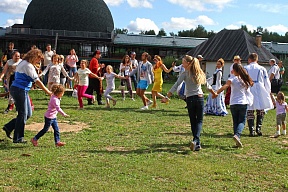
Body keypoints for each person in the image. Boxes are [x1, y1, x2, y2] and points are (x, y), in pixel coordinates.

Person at [162, 55, 216, 151]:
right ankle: (196, 142)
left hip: (190, 99)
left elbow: (176, 85)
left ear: (188, 63)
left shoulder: (185, 73)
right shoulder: (200, 73)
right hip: (199, 98)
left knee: (193, 121)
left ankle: (195, 141)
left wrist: (167, 97)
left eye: (183, 62)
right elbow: (207, 85)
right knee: (199, 121)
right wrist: (214, 93)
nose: (182, 64)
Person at [2, 49, 52, 143]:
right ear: (33, 57)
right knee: (23, 114)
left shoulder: (23, 63)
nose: (38, 61)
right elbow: (37, 81)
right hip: (19, 90)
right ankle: (18, 138)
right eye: (38, 59)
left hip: (21, 90)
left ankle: (9, 127)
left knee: (28, 113)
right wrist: (48, 92)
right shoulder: (28, 65)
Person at [214, 63, 254, 148]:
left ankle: (237, 139)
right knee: (242, 121)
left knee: (235, 121)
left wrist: (216, 92)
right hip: (243, 102)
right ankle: (237, 135)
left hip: (233, 103)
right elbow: (251, 85)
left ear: (235, 70)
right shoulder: (244, 79)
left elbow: (225, 86)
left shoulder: (232, 78)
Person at [244, 53, 273, 137]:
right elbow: (266, 81)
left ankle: (251, 130)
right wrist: (268, 91)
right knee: (260, 108)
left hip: (249, 87)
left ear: (249, 59)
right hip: (260, 88)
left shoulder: (246, 68)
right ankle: (258, 128)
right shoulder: (262, 68)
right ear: (257, 59)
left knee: (250, 109)